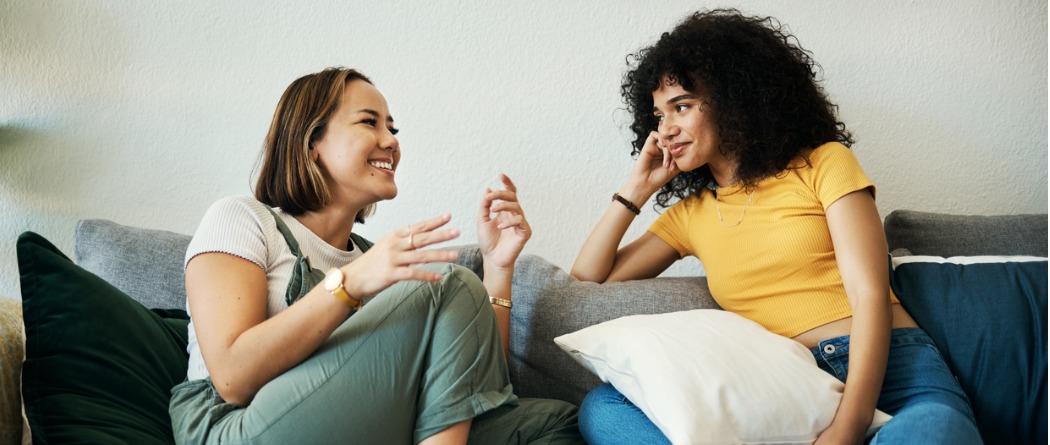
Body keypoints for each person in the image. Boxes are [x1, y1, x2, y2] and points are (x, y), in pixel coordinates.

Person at [571, 9, 982, 445]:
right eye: (658, 115)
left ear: (734, 98)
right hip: (784, 387)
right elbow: (588, 280)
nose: (665, 129)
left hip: (892, 371)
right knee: (604, 409)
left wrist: (847, 425)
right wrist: (636, 189)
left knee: (936, 430)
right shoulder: (691, 215)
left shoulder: (822, 164)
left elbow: (871, 296)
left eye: (682, 106)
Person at [168, 67, 584, 445]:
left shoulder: (375, 259)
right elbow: (232, 378)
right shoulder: (242, 219)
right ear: (311, 141)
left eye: (392, 126)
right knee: (449, 281)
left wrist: (498, 266)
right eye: (370, 122)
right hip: (237, 425)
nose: (392, 140)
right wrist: (350, 284)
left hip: (365, 425)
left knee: (555, 422)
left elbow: (473, 378)